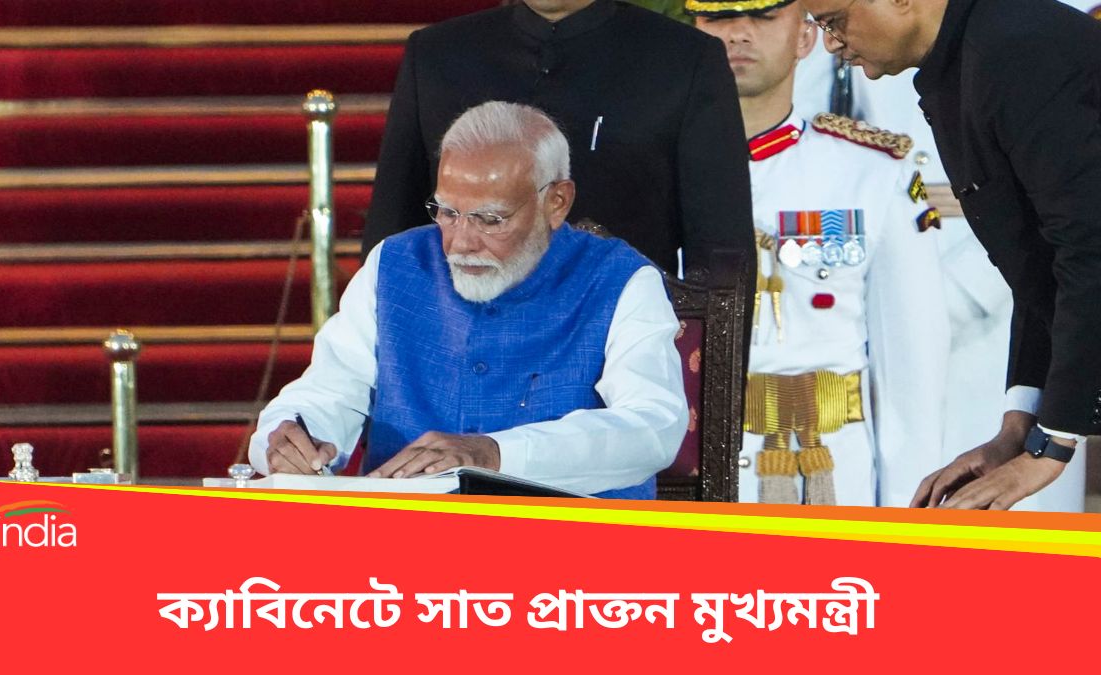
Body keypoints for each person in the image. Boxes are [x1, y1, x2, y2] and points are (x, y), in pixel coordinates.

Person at [251, 101, 688, 498]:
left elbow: (652, 428)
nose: (460, 242)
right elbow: (331, 389)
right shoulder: (395, 264)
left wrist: (493, 454)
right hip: (409, 537)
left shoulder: (621, 280)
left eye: (490, 219)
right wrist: (294, 436)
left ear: (556, 202)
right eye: (447, 212)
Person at [797, 0, 1101, 509]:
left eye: (834, 21)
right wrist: (1020, 425)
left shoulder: (1018, 47)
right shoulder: (966, 58)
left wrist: (1053, 442)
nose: (830, 43)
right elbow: (1040, 260)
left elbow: (1089, 245)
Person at [688, 0, 950, 506]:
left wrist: (909, 516)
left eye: (764, 17)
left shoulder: (873, 172)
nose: (738, 33)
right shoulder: (650, 168)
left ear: (806, 37)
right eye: (717, 18)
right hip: (685, 474)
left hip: (827, 470)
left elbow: (911, 372)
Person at [362, 0, 754, 275]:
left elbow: (722, 251)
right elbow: (392, 232)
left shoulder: (682, 59)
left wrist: (711, 367)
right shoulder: (439, 55)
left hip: (621, 347)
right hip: (457, 344)